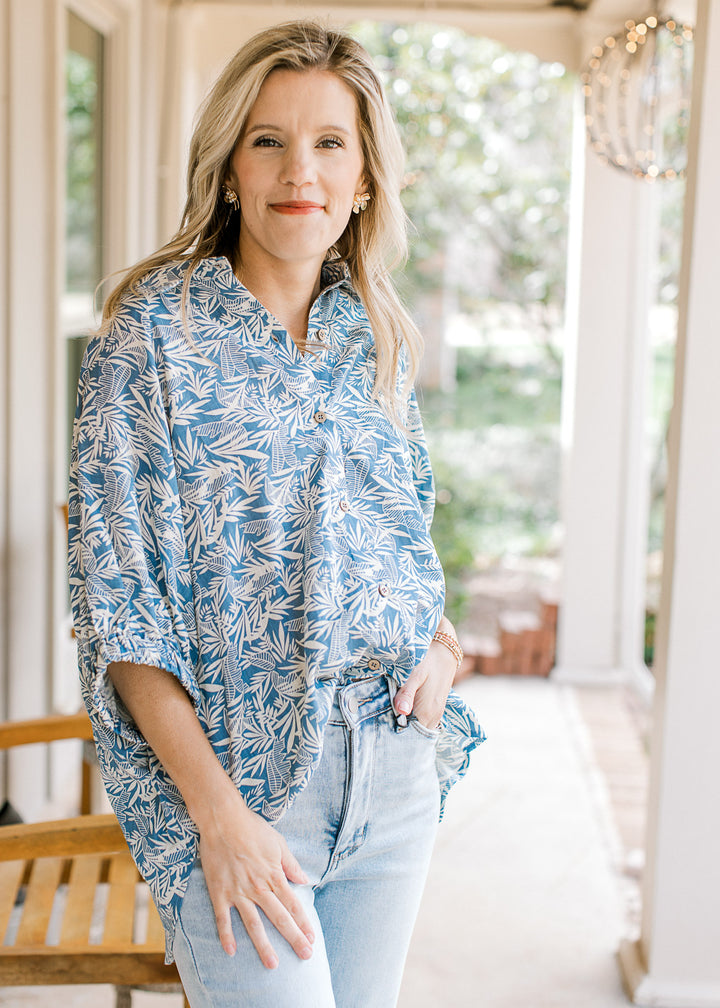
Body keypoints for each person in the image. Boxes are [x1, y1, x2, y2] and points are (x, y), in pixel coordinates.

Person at [68, 19, 484, 1008]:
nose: (300, 170)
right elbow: (122, 616)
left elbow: (403, 547)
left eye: (329, 142)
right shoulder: (149, 339)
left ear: (366, 176)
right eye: (269, 140)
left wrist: (442, 652)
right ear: (229, 169)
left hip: (388, 769)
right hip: (236, 787)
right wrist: (219, 817)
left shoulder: (377, 335)